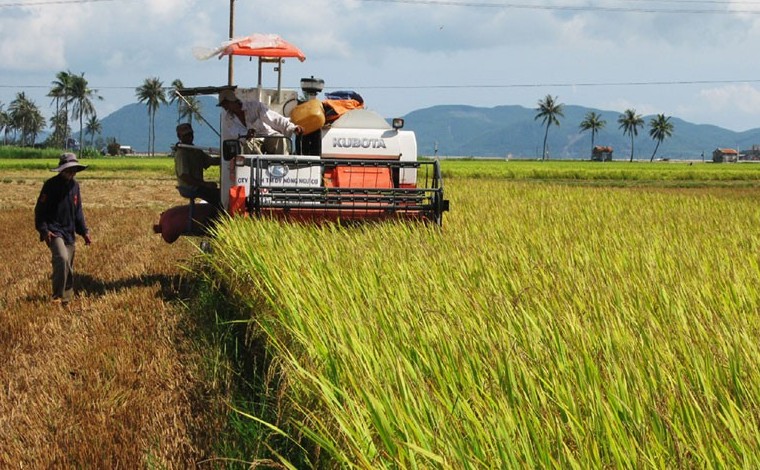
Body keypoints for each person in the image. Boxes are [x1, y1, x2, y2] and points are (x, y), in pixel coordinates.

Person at [34, 152, 92, 305]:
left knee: (69, 267)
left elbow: (78, 211)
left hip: (69, 230)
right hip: (54, 230)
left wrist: (84, 231)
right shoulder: (50, 185)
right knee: (62, 258)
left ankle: (66, 299)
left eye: (73, 170)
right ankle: (57, 296)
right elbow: (39, 211)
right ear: (62, 170)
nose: (71, 173)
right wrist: (44, 230)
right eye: (68, 170)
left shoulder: (75, 186)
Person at [217, 88, 303, 154]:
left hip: (268, 135)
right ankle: (256, 168)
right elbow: (235, 132)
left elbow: (273, 118)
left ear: (231, 101)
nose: (224, 107)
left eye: (225, 104)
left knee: (280, 139)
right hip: (253, 140)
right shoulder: (228, 118)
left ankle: (281, 167)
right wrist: (247, 134)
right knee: (248, 144)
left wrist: (292, 127)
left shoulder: (255, 106)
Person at [174, 122, 221, 208]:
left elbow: (210, 161)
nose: (189, 137)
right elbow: (185, 176)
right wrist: (204, 184)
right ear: (179, 136)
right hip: (190, 187)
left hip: (198, 186)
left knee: (220, 192)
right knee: (218, 197)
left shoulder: (195, 150)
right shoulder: (181, 153)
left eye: (190, 134)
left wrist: (225, 159)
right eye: (186, 135)